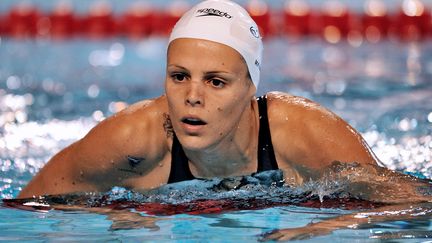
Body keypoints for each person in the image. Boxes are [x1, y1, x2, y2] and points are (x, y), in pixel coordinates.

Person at [17, 0, 430, 206]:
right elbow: (27, 210)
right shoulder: (132, 140)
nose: (192, 96)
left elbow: (409, 207)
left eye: (216, 81)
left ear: (250, 88)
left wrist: (320, 227)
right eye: (179, 77)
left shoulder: (303, 134)